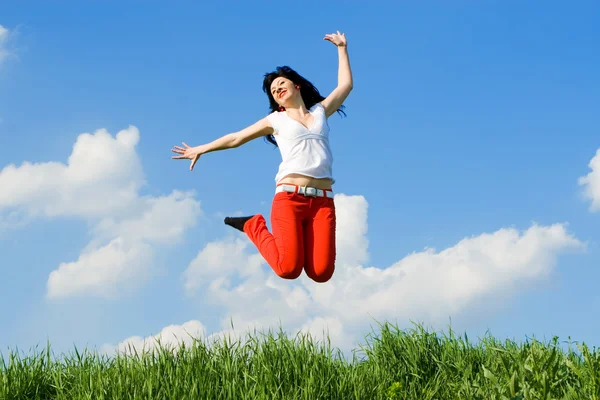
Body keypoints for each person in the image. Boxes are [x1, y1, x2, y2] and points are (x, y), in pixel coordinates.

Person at [171, 31, 353, 283]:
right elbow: (236, 138)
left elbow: (346, 86)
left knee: (321, 273)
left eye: (281, 84)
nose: (277, 89)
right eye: (272, 90)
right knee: (287, 269)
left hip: (323, 203)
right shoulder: (275, 120)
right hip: (289, 198)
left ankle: (264, 229)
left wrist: (341, 49)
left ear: (296, 85)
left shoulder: (320, 112)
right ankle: (253, 225)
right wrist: (201, 148)